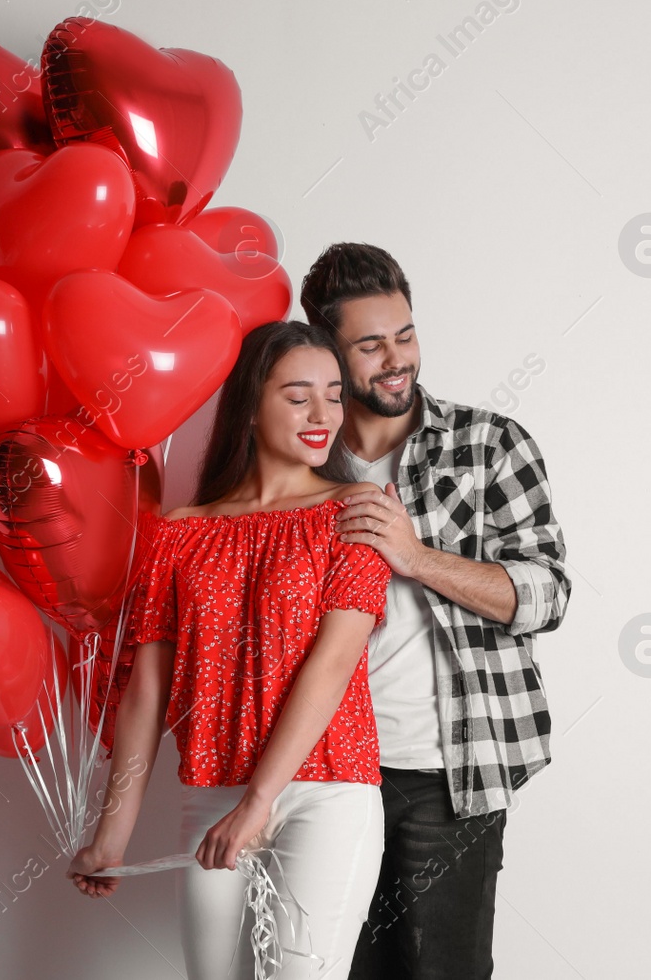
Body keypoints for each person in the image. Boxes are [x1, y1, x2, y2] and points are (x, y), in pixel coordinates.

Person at [67, 320, 396, 980]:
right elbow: (145, 693)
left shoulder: (358, 510)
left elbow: (331, 665)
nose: (323, 414)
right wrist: (111, 833)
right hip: (213, 794)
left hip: (325, 794)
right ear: (251, 404)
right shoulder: (178, 534)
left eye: (333, 394)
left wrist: (259, 802)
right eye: (298, 395)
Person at [298, 243, 571, 980]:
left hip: (452, 772)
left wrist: (416, 557)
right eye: (370, 344)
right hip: (330, 776)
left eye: (406, 334)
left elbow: (546, 595)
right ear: (327, 348)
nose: (396, 359)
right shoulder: (301, 465)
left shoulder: (489, 445)